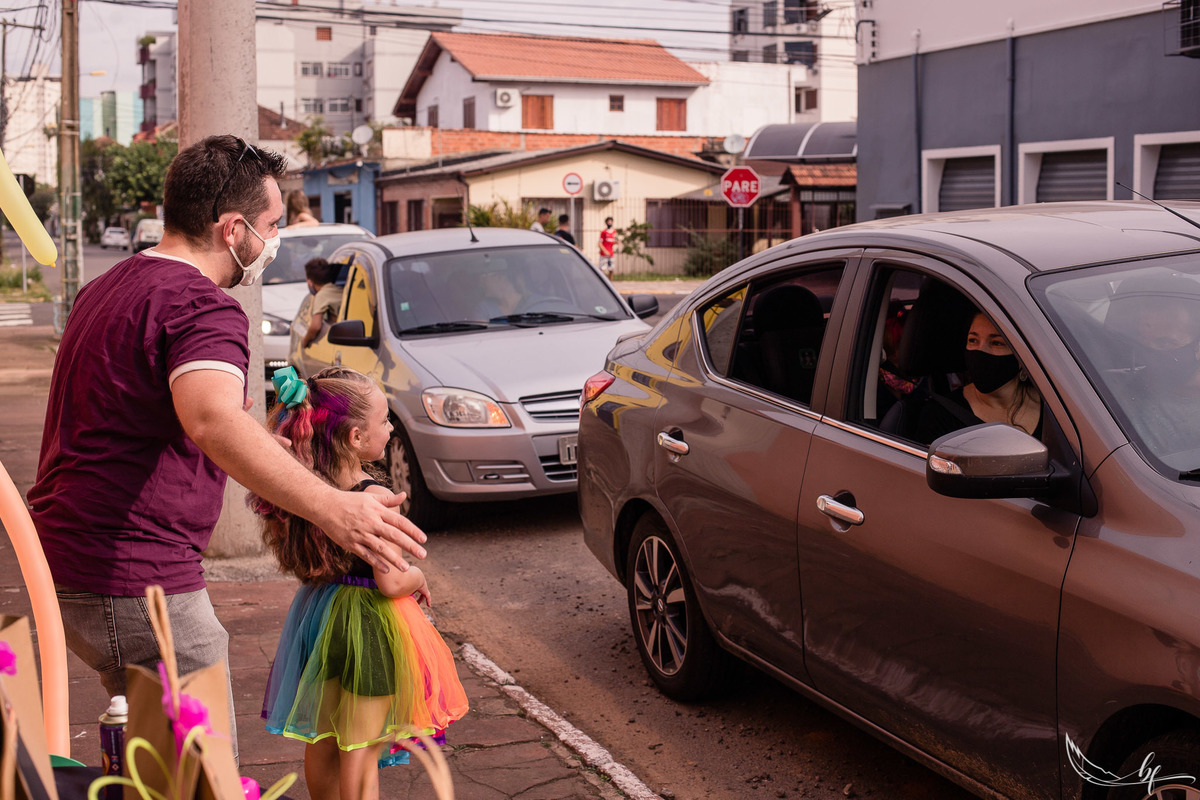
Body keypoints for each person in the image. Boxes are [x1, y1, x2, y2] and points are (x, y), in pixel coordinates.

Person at [27, 135, 427, 761]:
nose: (273, 242)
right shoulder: (201, 305)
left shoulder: (111, 286)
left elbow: (152, 416)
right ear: (233, 228)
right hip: (134, 572)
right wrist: (334, 507)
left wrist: (263, 441)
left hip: (73, 556)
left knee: (154, 762)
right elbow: (212, 421)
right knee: (201, 775)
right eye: (271, 226)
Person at [253, 367, 467, 800]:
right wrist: (419, 575)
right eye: (385, 420)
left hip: (318, 616)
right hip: (368, 627)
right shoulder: (370, 499)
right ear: (354, 438)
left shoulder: (305, 486)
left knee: (325, 740)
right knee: (362, 751)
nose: (390, 428)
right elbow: (391, 582)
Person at [915, 310, 1042, 443]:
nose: (980, 350)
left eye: (996, 343)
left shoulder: (1053, 407)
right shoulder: (940, 415)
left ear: (1023, 359)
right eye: (973, 340)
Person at [301, 257, 343, 348]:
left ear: (310, 283)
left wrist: (305, 341)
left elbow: (316, 326)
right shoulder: (339, 289)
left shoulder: (322, 295)